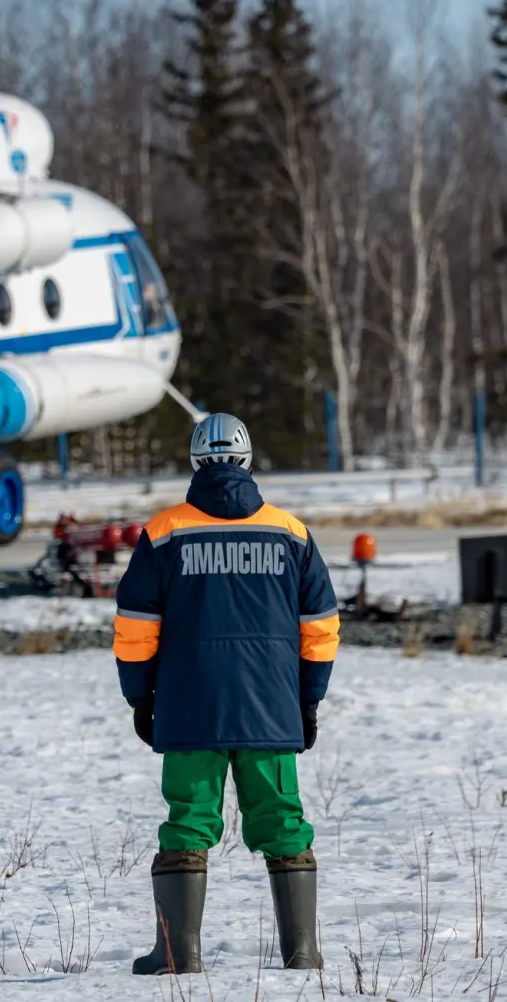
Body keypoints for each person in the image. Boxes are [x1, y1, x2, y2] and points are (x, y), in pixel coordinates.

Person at [113, 413, 339, 975]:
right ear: (247, 459)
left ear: (195, 462)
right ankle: (302, 951)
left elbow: (135, 625)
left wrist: (140, 697)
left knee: (189, 819)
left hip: (190, 708)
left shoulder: (164, 532)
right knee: (282, 818)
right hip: (270, 706)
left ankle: (177, 954)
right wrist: (308, 700)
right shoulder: (291, 532)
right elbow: (320, 626)